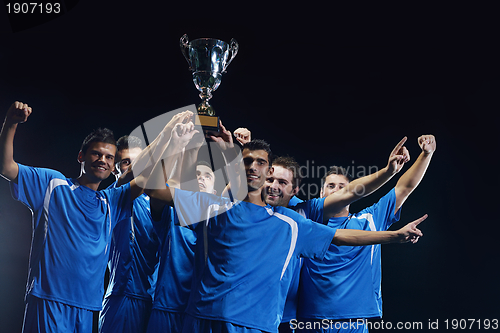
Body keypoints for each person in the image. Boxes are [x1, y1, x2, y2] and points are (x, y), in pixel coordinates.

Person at [142, 121, 426, 333]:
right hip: (202, 318)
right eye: (251, 165)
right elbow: (154, 189)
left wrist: (394, 234)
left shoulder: (295, 219)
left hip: (268, 321)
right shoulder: (217, 206)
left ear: (294, 189)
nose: (272, 184)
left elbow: (343, 227)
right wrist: (176, 140)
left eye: (279, 179)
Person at [262, 136, 435, 332]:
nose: (336, 191)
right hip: (307, 321)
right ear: (320, 193)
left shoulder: (369, 220)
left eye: (342, 187)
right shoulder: (304, 214)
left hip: (353, 321)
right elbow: (276, 190)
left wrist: (426, 154)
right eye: (330, 186)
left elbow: (404, 187)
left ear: (352, 194)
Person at [0, 101, 144, 333]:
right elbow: (6, 167)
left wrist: (172, 137)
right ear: (81, 156)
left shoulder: (111, 201)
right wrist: (11, 123)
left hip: (88, 308)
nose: (102, 160)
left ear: (113, 166)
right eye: (96, 153)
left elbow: (148, 174)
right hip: (48, 300)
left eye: (109, 157)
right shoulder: (52, 183)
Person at [98, 135, 160, 333]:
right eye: (126, 162)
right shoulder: (110, 198)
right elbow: (129, 180)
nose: (134, 166)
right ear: (115, 169)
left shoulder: (159, 203)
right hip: (121, 298)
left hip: (155, 301)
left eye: (139, 160)